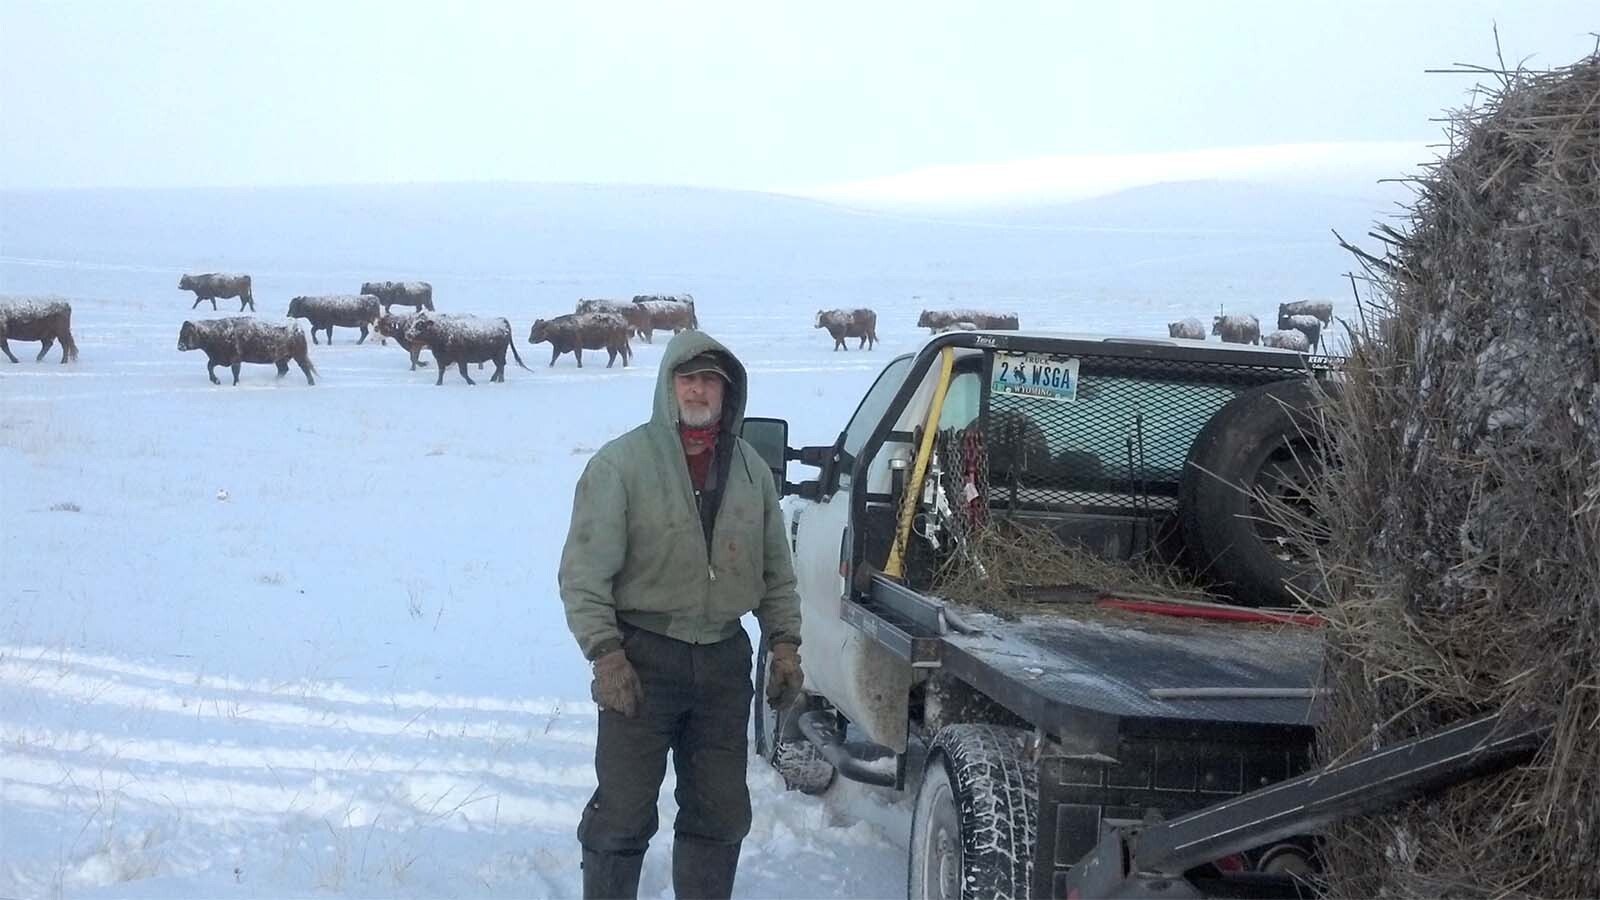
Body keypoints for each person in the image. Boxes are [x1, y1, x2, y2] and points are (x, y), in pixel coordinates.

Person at [559, 329, 805, 899]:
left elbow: (776, 571)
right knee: (621, 809)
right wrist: (606, 656)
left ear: (727, 393)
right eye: (688, 378)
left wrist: (786, 645)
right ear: (669, 386)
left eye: (710, 381)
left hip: (722, 661)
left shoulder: (751, 471)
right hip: (643, 658)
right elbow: (583, 574)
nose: (698, 390)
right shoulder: (622, 465)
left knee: (720, 810)